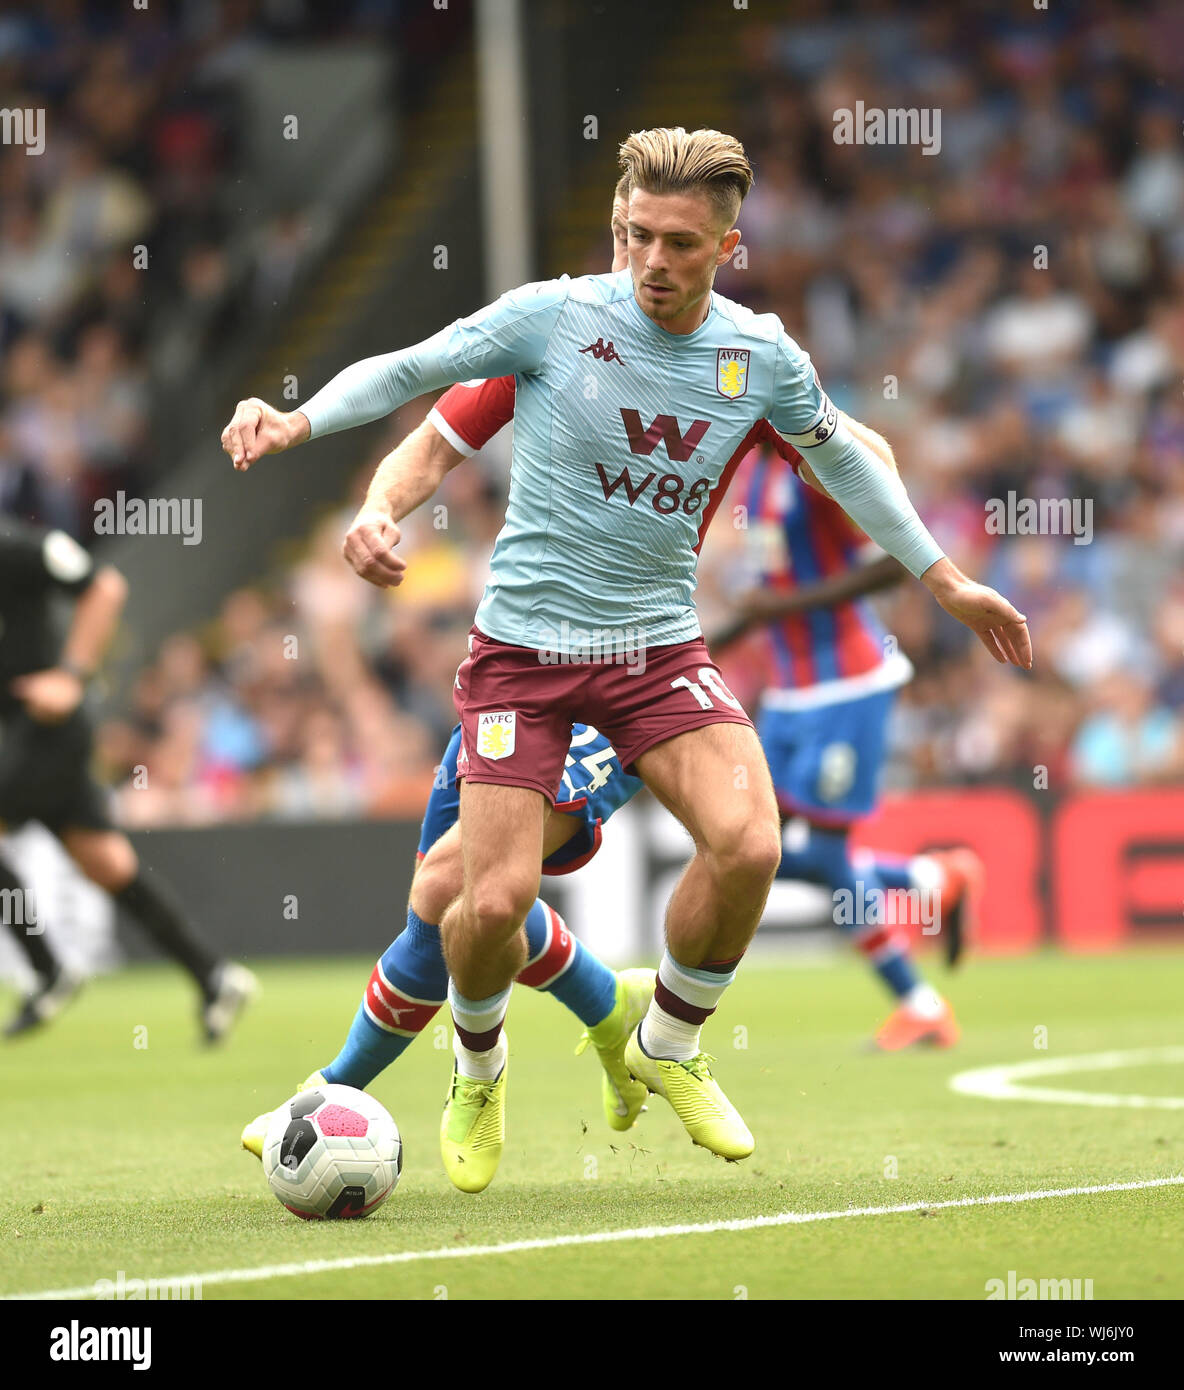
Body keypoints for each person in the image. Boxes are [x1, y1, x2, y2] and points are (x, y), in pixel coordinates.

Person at [223, 126, 1030, 1192]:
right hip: (520, 657)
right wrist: (302, 422)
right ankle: (481, 1066)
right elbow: (415, 377)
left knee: (746, 842)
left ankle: (664, 1039)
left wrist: (946, 581)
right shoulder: (553, 321)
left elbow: (850, 455)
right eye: (635, 236)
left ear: (726, 245)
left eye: (680, 243)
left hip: (652, 655)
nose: (652, 260)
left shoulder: (755, 359)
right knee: (474, 898)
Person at [706, 442, 984, 1049]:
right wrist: (700, 649)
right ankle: (933, 878)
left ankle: (920, 1004)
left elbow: (893, 562)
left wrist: (785, 605)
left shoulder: (816, 469)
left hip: (849, 685)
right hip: (790, 694)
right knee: (753, 844)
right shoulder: (748, 475)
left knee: (828, 857)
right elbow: (769, 596)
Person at [0, 516, 256, 1041]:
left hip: (46, 731)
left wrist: (71, 676)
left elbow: (104, 585)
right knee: (107, 863)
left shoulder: (15, 547)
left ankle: (48, 971)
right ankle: (213, 974)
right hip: (21, 738)